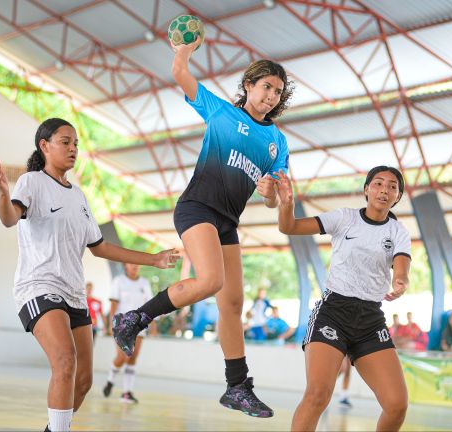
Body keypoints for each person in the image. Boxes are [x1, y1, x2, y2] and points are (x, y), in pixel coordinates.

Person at [112, 36, 294, 418]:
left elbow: (272, 198)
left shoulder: (277, 141)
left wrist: (269, 191)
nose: (272, 96)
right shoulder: (221, 112)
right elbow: (180, 73)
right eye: (266, 87)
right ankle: (135, 318)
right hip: (196, 208)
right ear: (248, 86)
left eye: (278, 91)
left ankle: (237, 387)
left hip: (227, 221)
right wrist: (184, 50)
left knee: (232, 303)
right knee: (211, 281)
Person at [0, 118, 179, 432]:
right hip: (38, 288)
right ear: (44, 146)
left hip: (74, 294)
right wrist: (1, 192)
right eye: (66, 142)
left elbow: (100, 247)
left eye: (76, 143)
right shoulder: (31, 182)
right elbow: (10, 218)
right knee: (64, 361)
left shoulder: (78, 197)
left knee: (84, 381)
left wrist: (153, 259)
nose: (74, 149)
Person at [275, 166, 411, 431]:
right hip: (334, 313)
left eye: (392, 186)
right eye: (378, 184)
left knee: (397, 405)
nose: (384, 190)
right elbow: (288, 226)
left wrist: (401, 282)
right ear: (366, 189)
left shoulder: (398, 231)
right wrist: (286, 204)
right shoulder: (344, 218)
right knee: (318, 395)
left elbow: (402, 265)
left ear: (398, 196)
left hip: (371, 320)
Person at [103, 263, 154, 404]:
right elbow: (113, 304)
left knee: (133, 358)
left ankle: (127, 393)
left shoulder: (144, 283)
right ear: (126, 265)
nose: (134, 266)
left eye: (137, 264)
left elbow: (150, 305)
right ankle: (110, 380)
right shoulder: (119, 281)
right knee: (123, 357)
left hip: (139, 325)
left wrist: (153, 324)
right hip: (122, 324)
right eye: (131, 263)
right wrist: (111, 325)